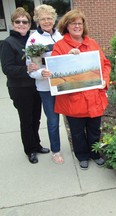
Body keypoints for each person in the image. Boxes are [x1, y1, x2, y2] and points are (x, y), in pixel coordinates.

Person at [50, 9, 111, 170]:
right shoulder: (60, 46)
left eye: (80, 23)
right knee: (77, 132)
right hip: (74, 99)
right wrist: (68, 58)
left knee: (94, 130)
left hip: (94, 97)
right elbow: (56, 73)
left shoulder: (92, 43)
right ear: (66, 26)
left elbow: (105, 64)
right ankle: (82, 155)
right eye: (73, 23)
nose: (77, 26)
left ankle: (95, 153)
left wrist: (104, 81)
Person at [0, 7, 50, 164]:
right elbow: (7, 68)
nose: (21, 24)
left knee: (36, 118)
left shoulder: (32, 40)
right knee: (26, 120)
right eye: (18, 21)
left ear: (30, 24)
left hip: (35, 86)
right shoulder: (8, 43)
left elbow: (38, 60)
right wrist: (26, 69)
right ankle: (30, 150)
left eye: (25, 21)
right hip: (20, 88)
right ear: (12, 23)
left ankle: (37, 144)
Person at [26, 4, 64, 164]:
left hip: (64, 84)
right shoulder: (34, 40)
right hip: (46, 88)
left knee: (74, 117)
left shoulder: (61, 35)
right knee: (53, 121)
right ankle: (56, 151)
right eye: (43, 19)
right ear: (37, 21)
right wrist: (42, 73)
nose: (47, 21)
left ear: (54, 19)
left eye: (49, 18)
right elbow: (32, 69)